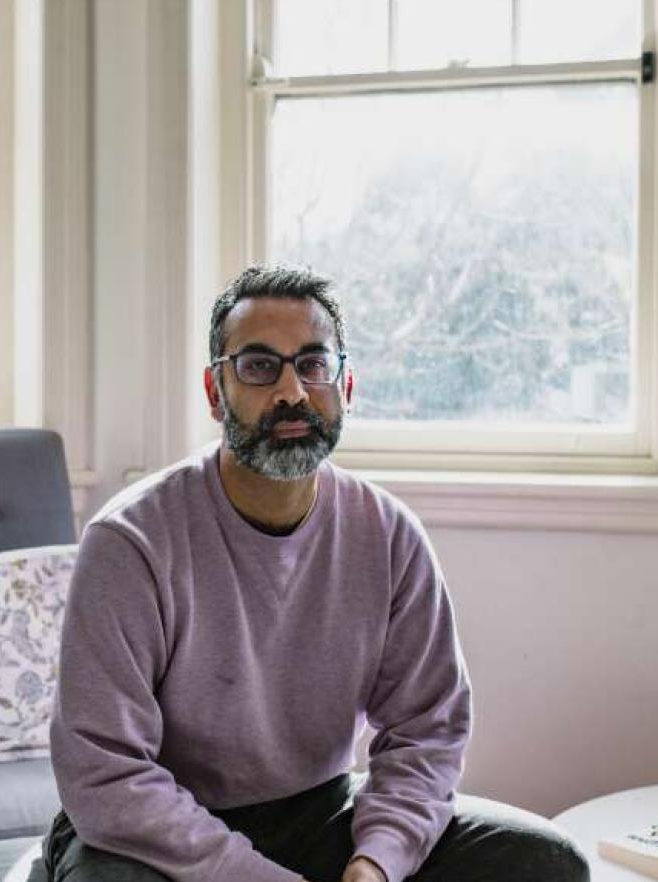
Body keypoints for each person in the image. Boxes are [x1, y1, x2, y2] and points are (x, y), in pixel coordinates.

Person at [42, 266, 588, 882]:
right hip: (154, 833)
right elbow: (105, 775)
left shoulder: (388, 534)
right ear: (215, 391)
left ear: (346, 385)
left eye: (312, 364)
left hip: (319, 812)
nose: (292, 392)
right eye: (258, 366)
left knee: (545, 862)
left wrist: (376, 863)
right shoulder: (131, 541)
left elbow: (428, 731)